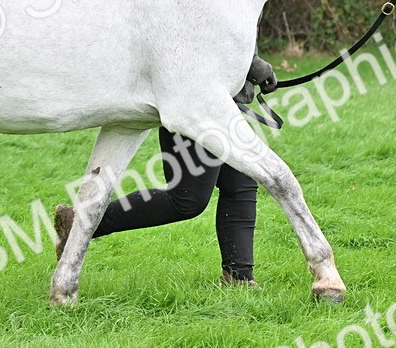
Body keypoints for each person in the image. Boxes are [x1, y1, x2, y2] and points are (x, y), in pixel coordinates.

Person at [54, 54, 278, 285]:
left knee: (240, 184)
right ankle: (78, 223)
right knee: (187, 200)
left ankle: (239, 276)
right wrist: (258, 68)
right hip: (194, 103)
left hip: (219, 104)